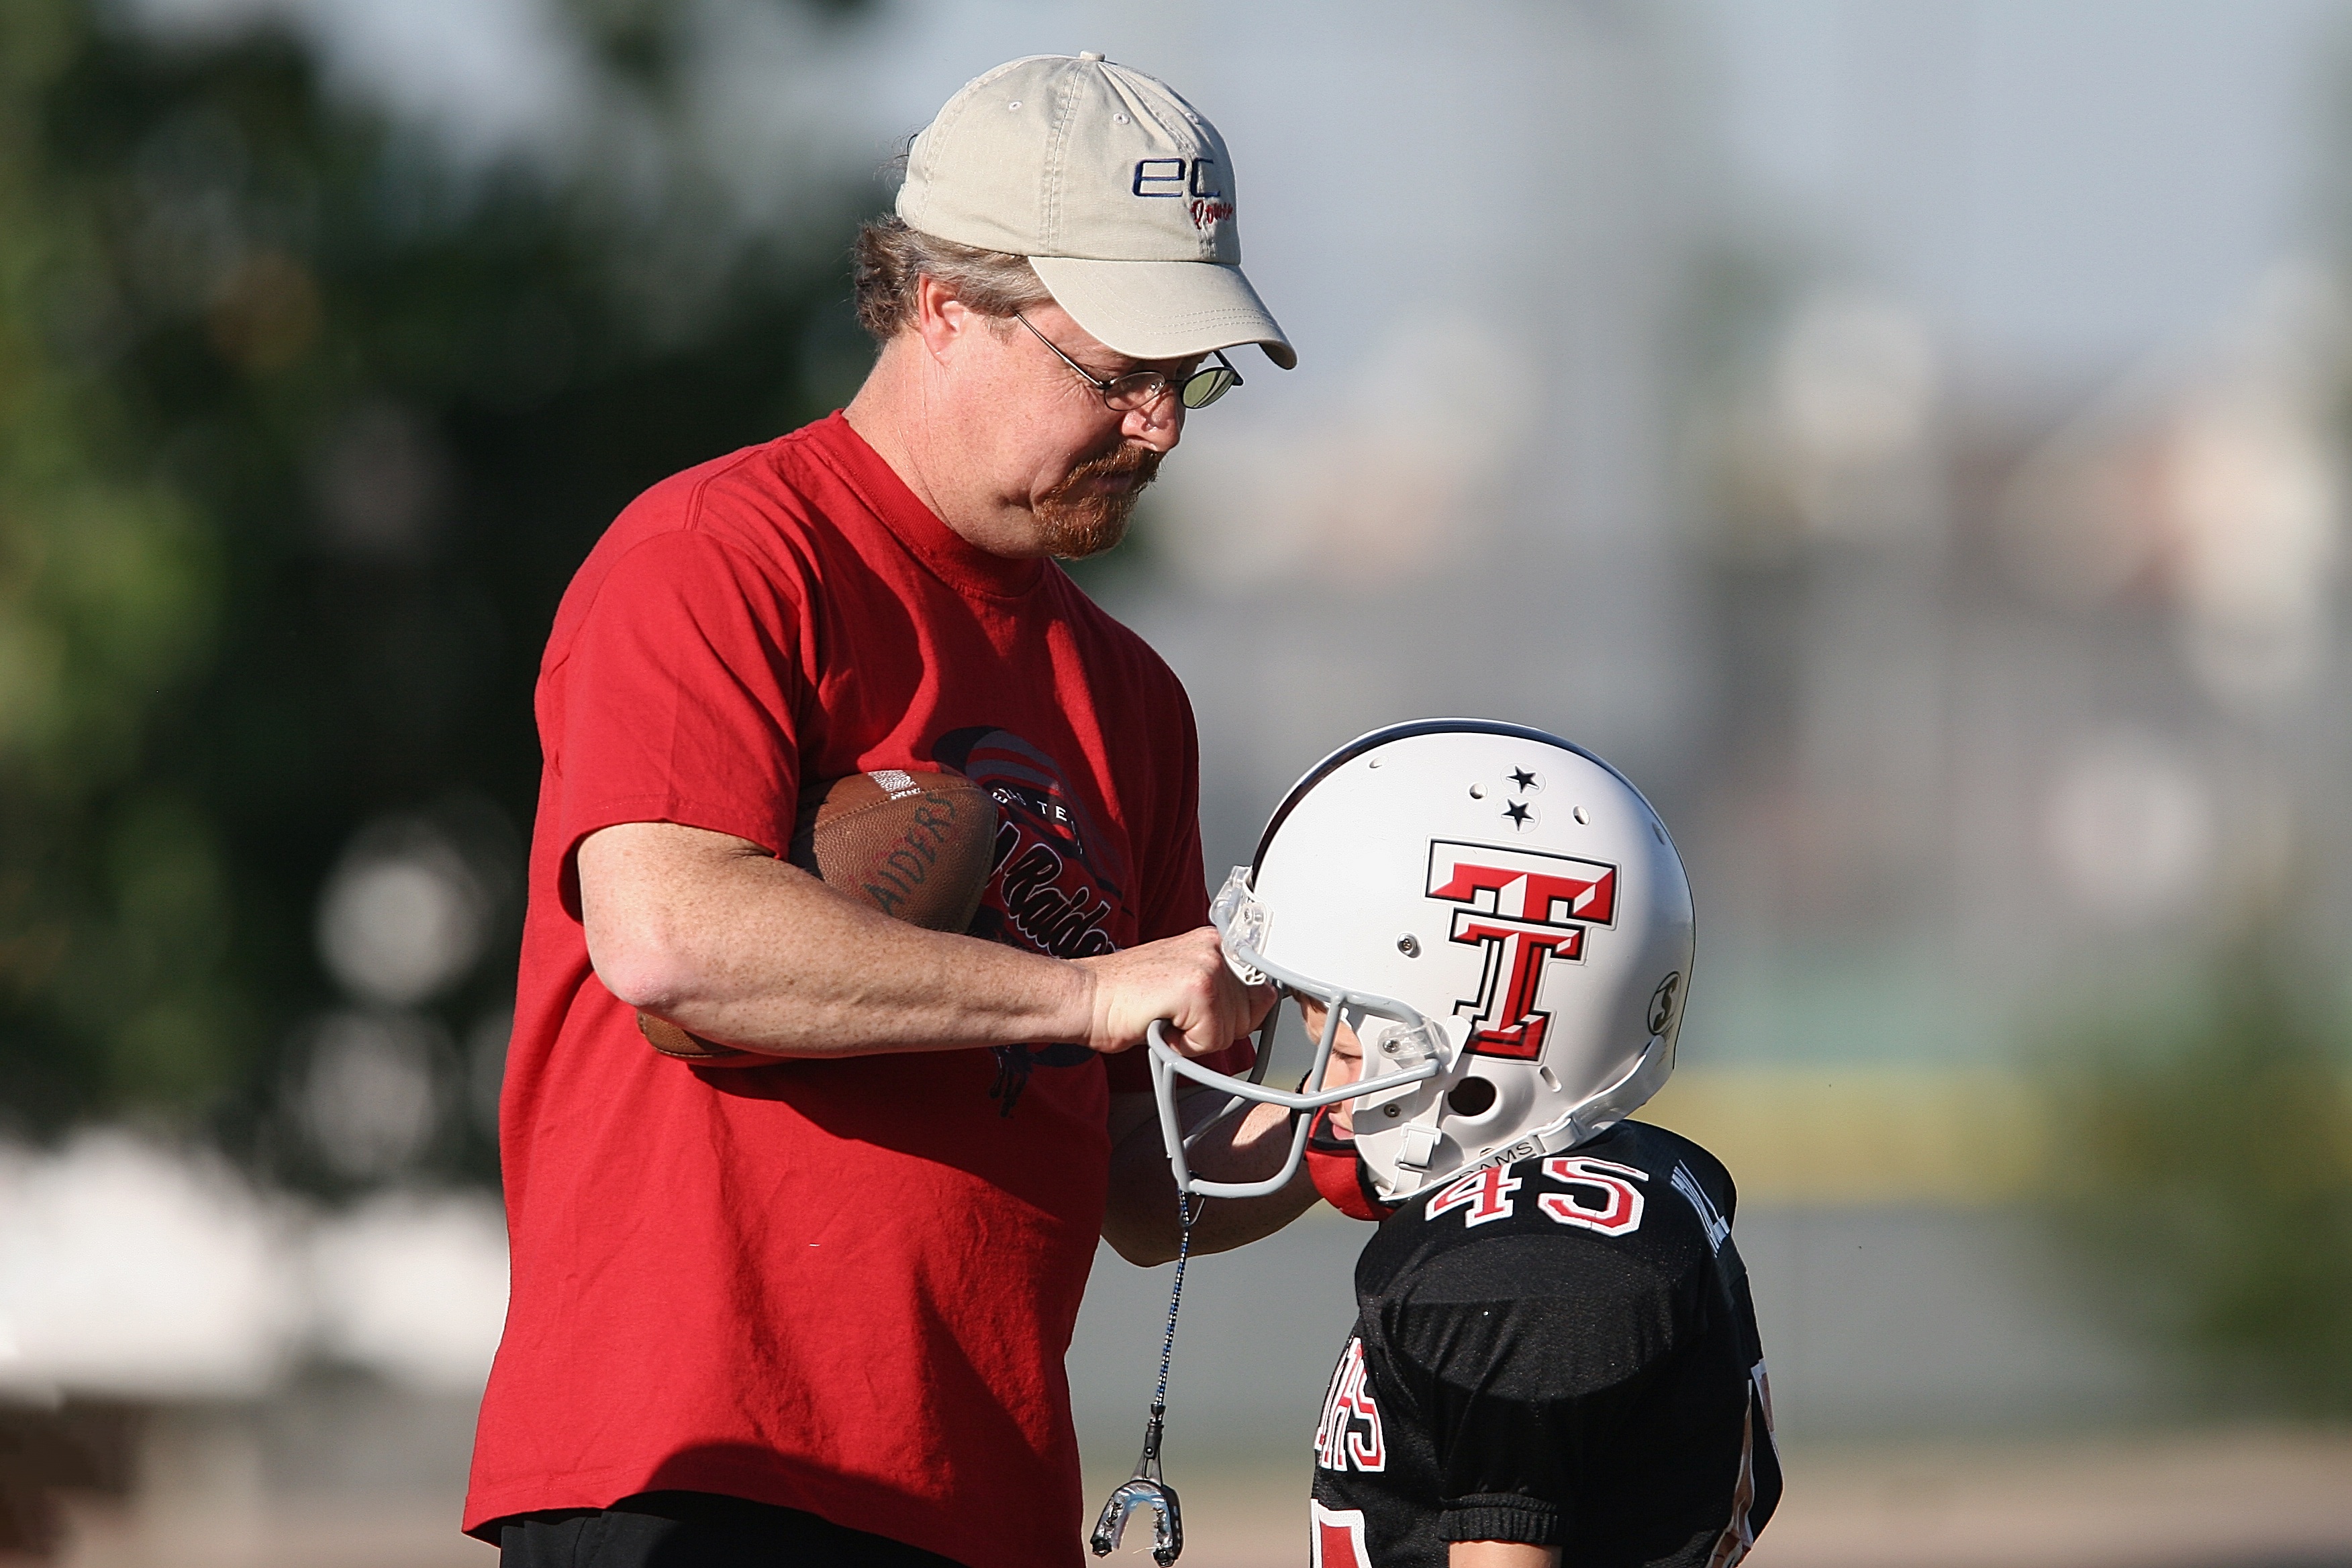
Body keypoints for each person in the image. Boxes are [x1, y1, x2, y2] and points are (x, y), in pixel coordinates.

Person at [463, 53, 1319, 1568]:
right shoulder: (719, 552)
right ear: (942, 305)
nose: (1162, 425)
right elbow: (668, 938)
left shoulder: (1131, 696)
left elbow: (1142, 1174)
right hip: (695, 1477)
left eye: (1186, 376)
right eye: (1117, 366)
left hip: (982, 1503)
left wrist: (1374, 1123)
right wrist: (1089, 989)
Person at [1147, 720, 1781, 1567]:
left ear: (1474, 1043)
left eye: (1334, 1027)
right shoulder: (1618, 1187)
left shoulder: (1520, 1271)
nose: (1315, 1068)